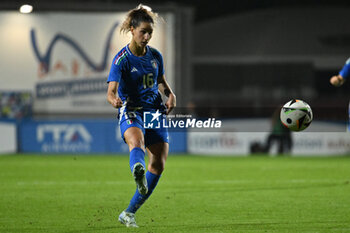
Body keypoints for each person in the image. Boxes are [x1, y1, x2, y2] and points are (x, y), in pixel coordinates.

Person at [106, 5, 176, 228]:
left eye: (150, 33)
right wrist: (114, 100)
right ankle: (137, 170)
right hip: (131, 111)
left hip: (155, 112)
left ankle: (129, 213)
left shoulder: (155, 56)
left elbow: (161, 83)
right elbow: (110, 92)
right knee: (137, 142)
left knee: (159, 164)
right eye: (143, 32)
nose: (146, 37)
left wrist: (171, 94)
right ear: (132, 30)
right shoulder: (121, 60)